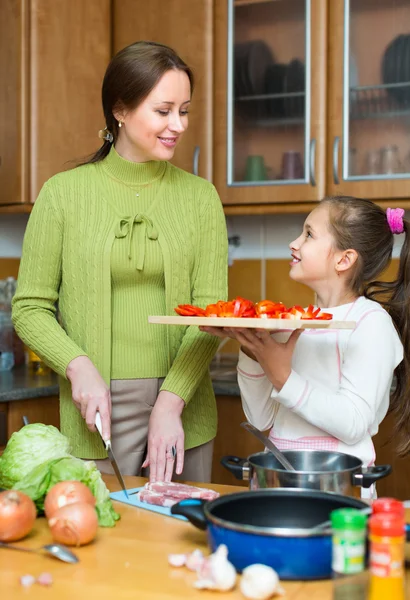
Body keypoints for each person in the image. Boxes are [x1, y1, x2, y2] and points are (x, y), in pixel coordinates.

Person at [12, 41, 228, 484]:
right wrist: (78, 365)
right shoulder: (62, 195)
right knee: (105, 542)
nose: (177, 125)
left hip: (181, 409)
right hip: (94, 411)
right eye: (163, 110)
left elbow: (211, 316)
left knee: (177, 546)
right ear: (121, 111)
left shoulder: (201, 198)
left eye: (184, 111)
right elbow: (29, 308)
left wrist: (171, 402)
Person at [201, 197, 410, 495]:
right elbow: (260, 419)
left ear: (344, 259)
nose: (294, 243)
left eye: (308, 234)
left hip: (340, 491)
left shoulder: (370, 323)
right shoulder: (295, 322)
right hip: (281, 483)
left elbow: (353, 423)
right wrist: (251, 351)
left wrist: (283, 377)